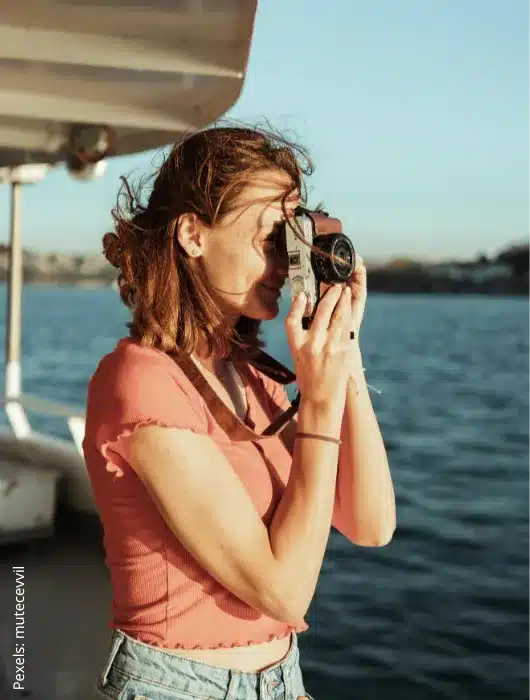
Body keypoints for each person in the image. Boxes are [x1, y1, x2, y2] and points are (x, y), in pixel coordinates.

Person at [83, 125, 396, 700]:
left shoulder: (254, 378)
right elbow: (281, 593)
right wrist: (319, 402)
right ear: (193, 234)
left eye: (291, 239)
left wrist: (343, 351)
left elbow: (371, 524)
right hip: (176, 687)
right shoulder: (141, 381)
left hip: (283, 678)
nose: (283, 262)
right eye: (269, 237)